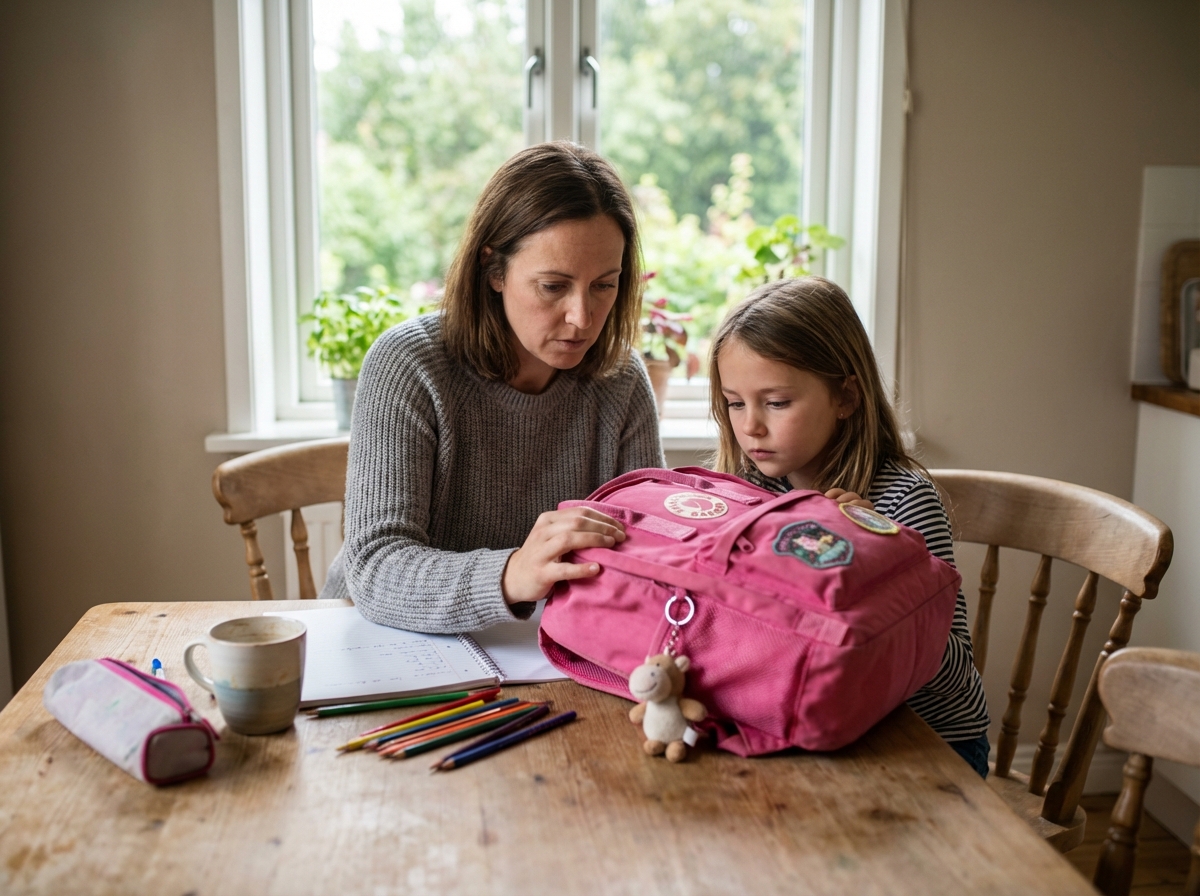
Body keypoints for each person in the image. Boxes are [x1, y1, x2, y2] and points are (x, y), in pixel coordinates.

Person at [319, 142, 664, 632]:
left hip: (541, 651)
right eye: (552, 286)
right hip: (379, 642)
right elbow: (375, 568)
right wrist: (512, 573)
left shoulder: (621, 380)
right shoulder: (409, 364)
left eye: (604, 285)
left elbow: (648, 553)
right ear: (494, 270)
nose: (582, 317)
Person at [708, 275, 991, 777]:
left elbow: (948, 671)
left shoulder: (901, 502)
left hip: (928, 746)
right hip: (819, 732)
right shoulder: (746, 497)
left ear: (846, 397)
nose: (750, 425)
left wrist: (879, 558)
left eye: (776, 403)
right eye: (735, 402)